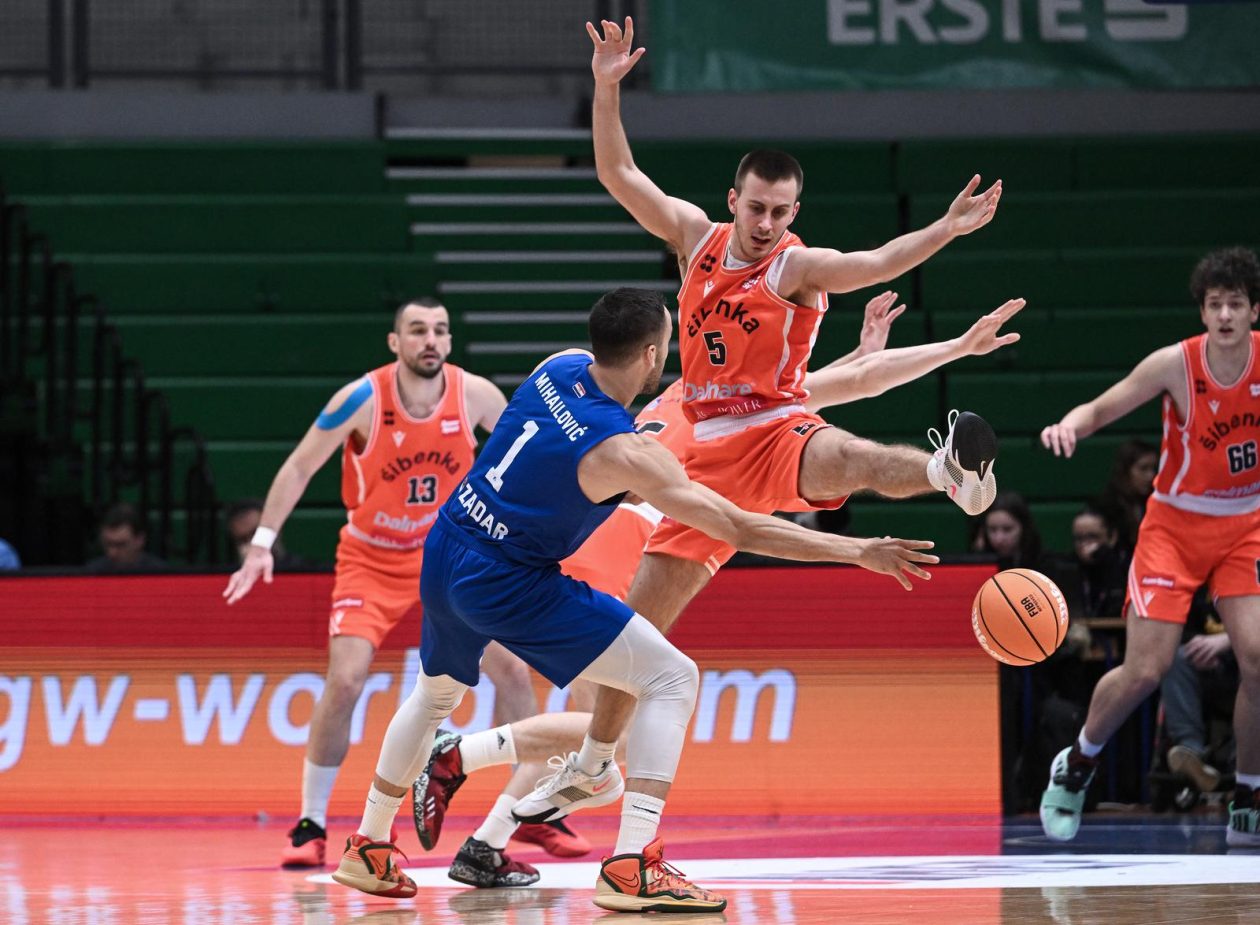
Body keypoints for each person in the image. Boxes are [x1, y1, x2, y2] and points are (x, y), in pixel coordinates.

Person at [511, 17, 1005, 831]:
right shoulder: (695, 239)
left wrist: (944, 230)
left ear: (793, 210)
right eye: (757, 207)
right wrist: (605, 88)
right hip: (700, 456)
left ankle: (944, 471)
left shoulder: (796, 266)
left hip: (775, 431)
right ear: (733, 199)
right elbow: (618, 172)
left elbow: (874, 263)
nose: (767, 221)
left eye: (781, 210)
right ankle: (593, 765)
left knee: (845, 457)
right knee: (634, 635)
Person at [330, 287, 938, 912]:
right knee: (672, 678)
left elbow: (804, 392)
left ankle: (369, 844)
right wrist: (857, 550)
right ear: (653, 355)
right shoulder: (628, 451)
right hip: (510, 578)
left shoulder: (558, 365)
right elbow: (741, 527)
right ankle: (631, 864)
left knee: (434, 697)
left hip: (451, 539)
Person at [222, 297, 551, 873]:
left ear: (450, 342)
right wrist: (263, 541)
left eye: (440, 330)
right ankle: (311, 822)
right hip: (371, 558)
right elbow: (299, 466)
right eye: (417, 330)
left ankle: (521, 811)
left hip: (449, 553)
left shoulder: (475, 395)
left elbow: (524, 463)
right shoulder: (361, 399)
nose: (430, 339)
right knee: (346, 680)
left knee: (514, 671)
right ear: (395, 342)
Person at [1038, 246, 1260, 847]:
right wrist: (1069, 426)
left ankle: (1249, 794)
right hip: (1176, 526)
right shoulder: (1176, 364)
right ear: (1203, 312)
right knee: (1146, 670)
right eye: (1214, 305)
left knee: (1257, 656)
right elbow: (1101, 407)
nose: (1225, 315)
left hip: (1246, 524)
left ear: (1253, 311)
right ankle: (1078, 761)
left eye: (1236, 304)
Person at [1161, 605, 1238, 794]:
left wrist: (1227, 642)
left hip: (1245, 665)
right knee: (1175, 658)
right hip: (1208, 668)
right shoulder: (1197, 589)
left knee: (1254, 668)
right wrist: (1199, 647)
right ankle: (1190, 752)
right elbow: (1178, 628)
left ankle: (1244, 762)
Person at [1097, 438, 1159, 551]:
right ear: (1125, 471)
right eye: (1143, 469)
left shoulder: (1157, 504)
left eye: (1154, 469)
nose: (1150, 476)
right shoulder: (1107, 506)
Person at [224, 498, 309, 570]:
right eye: (243, 540)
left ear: (278, 529)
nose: (253, 544)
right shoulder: (227, 577)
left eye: (257, 534)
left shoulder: (307, 571)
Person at [84, 502, 167, 573]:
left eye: (121, 545)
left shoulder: (161, 574)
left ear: (139, 540)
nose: (112, 553)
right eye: (108, 544)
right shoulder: (91, 573)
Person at [970, 491, 1043, 569]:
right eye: (992, 529)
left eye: (1007, 529)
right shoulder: (975, 563)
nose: (999, 539)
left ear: (1024, 528)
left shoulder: (1045, 565)